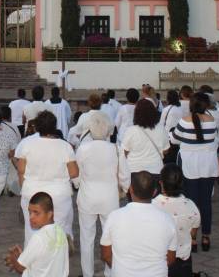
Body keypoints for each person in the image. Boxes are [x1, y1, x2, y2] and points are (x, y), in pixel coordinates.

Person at [16, 110, 78, 245]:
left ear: (37, 126)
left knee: (31, 231)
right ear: (54, 127)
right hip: (59, 194)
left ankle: (31, 262)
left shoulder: (27, 144)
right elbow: (74, 173)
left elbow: (20, 169)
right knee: (59, 231)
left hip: (32, 191)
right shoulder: (65, 146)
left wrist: (24, 188)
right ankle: (56, 262)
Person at [101, 171, 178, 276]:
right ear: (154, 192)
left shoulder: (114, 217)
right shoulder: (168, 220)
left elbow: (106, 255)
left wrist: (121, 268)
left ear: (130, 190)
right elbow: (171, 258)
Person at [170, 92, 218, 251]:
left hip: (189, 166)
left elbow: (174, 140)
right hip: (208, 166)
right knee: (206, 202)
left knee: (190, 202)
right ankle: (206, 237)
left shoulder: (184, 121)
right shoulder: (212, 121)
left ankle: (192, 238)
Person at [75, 113, 119, 277]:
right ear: (108, 130)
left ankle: (88, 274)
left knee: (86, 238)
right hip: (110, 198)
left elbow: (77, 175)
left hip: (88, 197)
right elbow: (123, 175)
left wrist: (77, 184)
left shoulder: (83, 149)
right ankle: (110, 272)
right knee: (111, 238)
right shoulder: (115, 148)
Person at [5, 192, 69, 277]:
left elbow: (21, 268)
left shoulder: (39, 238)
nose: (31, 217)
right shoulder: (60, 231)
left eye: (36, 213)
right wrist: (24, 256)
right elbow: (45, 259)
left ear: (49, 214)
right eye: (30, 212)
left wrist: (13, 260)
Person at [153, 164, 201, 277]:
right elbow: (193, 234)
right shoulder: (191, 205)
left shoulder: (153, 206)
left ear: (161, 183)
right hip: (183, 263)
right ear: (181, 183)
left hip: (159, 263)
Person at [121, 99, 168, 187]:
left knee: (135, 200)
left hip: (134, 171)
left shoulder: (131, 130)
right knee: (154, 200)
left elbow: (124, 152)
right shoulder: (161, 129)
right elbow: (166, 150)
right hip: (156, 171)